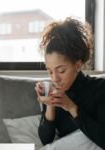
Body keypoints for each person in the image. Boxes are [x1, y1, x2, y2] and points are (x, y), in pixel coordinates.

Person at [35, 17, 105, 150]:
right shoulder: (54, 91)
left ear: (78, 65)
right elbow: (46, 140)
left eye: (61, 70)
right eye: (50, 71)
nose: (55, 78)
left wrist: (72, 108)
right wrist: (50, 106)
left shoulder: (100, 88)